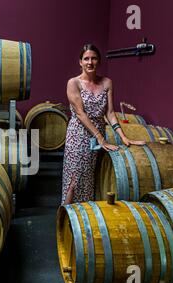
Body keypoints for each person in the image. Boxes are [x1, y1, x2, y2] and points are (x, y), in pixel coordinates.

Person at [61, 44, 145, 205]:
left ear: (98, 61)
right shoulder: (73, 83)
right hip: (78, 135)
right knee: (75, 179)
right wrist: (100, 138)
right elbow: (80, 113)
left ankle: (84, 217)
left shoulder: (107, 82)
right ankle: (65, 219)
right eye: (86, 59)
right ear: (80, 62)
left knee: (91, 177)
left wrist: (124, 137)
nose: (90, 62)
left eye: (93, 58)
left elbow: (110, 113)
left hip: (98, 137)